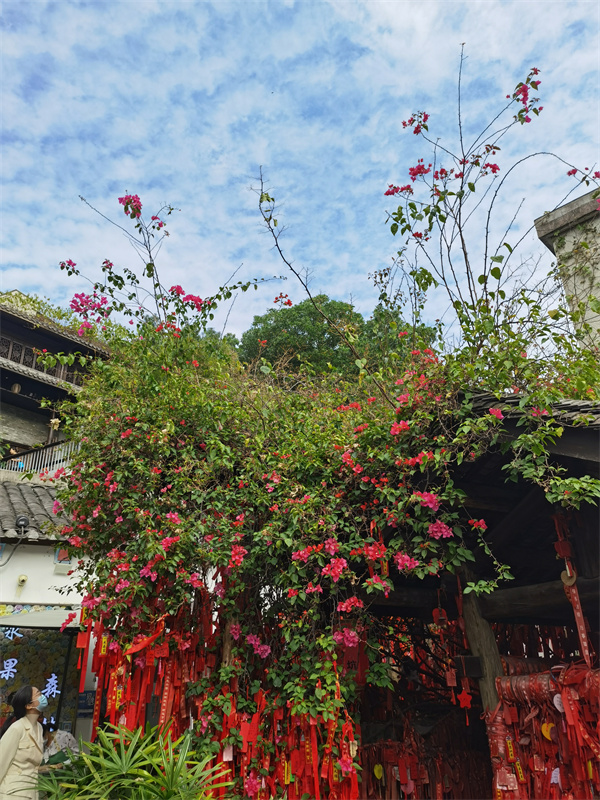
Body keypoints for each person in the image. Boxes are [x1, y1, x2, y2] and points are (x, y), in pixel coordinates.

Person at [0, 686, 46, 800]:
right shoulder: (17, 728)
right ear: (29, 705)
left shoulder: (39, 728)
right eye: (38, 694)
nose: (43, 697)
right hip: (13, 793)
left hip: (31, 792)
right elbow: (1, 762)